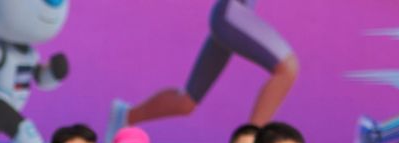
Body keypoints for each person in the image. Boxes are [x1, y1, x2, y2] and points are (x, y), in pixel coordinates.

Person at [118, 0, 297, 129]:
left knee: (186, 102)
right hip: (231, 13)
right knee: (287, 68)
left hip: (232, 17)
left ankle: (125, 116)